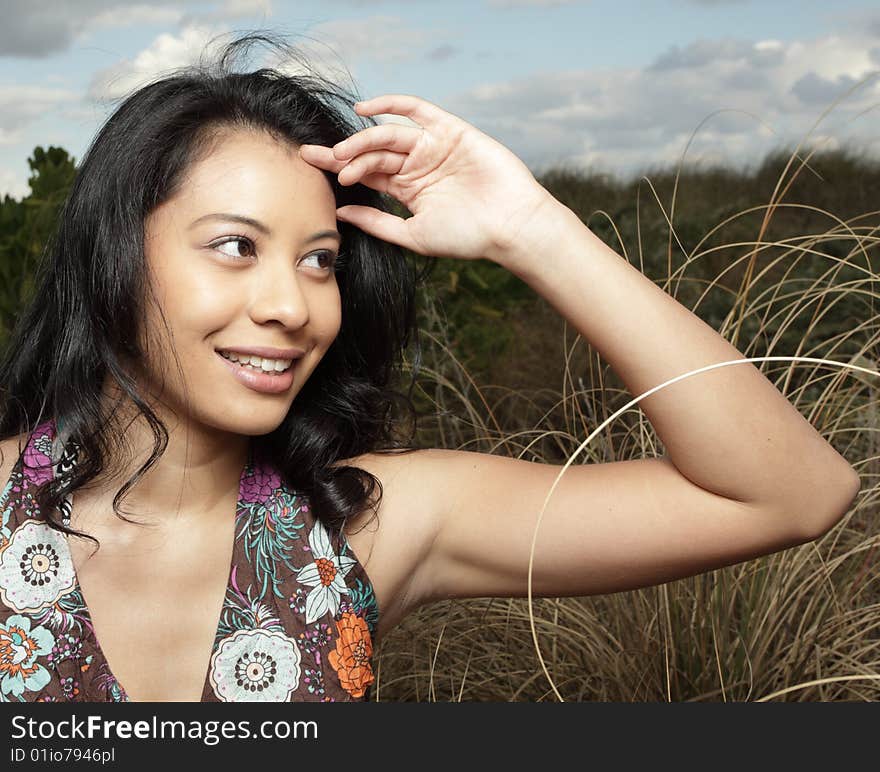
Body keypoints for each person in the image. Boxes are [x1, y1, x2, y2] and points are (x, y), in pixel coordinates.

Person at [0, 32, 860, 703]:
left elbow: (793, 493)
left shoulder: (362, 530)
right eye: (235, 245)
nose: (293, 307)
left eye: (320, 260)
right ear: (114, 254)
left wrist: (532, 229)